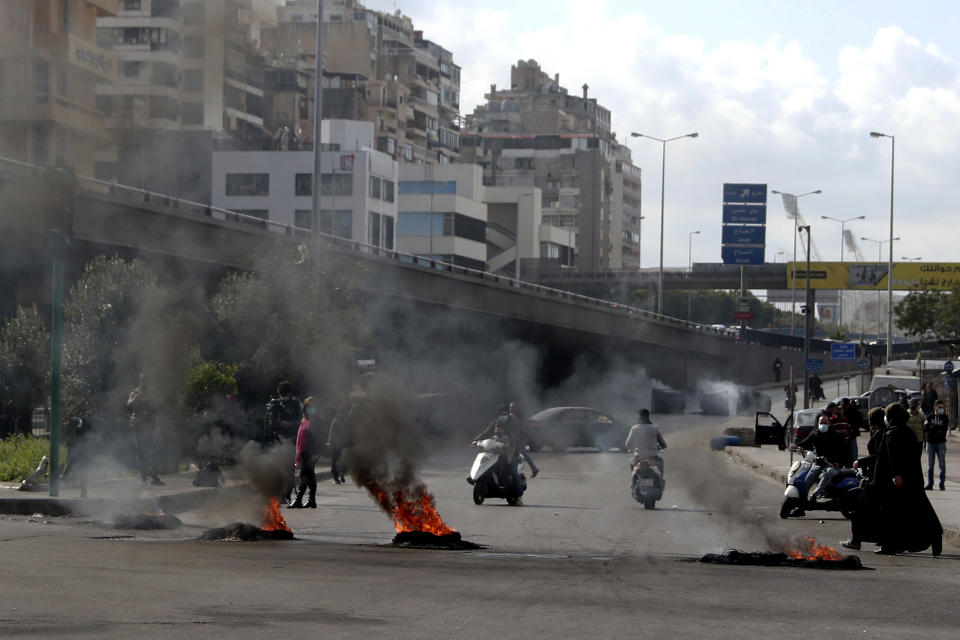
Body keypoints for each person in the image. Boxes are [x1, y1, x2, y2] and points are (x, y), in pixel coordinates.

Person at [871, 402, 942, 555]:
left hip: (898, 481)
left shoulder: (892, 433)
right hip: (912, 477)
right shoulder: (907, 431)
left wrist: (896, 475)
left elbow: (892, 457)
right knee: (919, 509)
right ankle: (932, 536)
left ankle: (890, 545)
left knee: (892, 513)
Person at [842, 407, 887, 550]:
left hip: (877, 479)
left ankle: (856, 541)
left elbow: (878, 457)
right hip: (873, 476)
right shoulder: (878, 433)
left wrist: (861, 462)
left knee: (858, 508)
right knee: (870, 511)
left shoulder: (880, 434)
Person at [795, 415, 852, 503]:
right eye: (821, 423)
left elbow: (845, 452)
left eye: (825, 423)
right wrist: (796, 445)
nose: (823, 425)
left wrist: (839, 463)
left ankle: (815, 494)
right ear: (818, 424)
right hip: (818, 463)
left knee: (829, 473)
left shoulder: (837, 435)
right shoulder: (815, 433)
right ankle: (802, 501)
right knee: (808, 477)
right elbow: (805, 443)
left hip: (832, 464)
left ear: (829, 423)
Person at [126, 373, 163, 486]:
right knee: (142, 451)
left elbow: (157, 408)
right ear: (141, 382)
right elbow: (128, 404)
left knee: (152, 451)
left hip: (149, 425)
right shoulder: (135, 392)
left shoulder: (152, 393)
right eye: (144, 381)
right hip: (138, 425)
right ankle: (143, 477)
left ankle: (154, 476)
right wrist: (138, 397)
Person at [289, 397, 319, 508]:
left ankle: (298, 500)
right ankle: (312, 500)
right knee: (310, 476)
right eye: (309, 406)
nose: (311, 409)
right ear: (305, 408)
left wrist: (315, 452)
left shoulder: (316, 421)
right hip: (304, 452)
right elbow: (300, 438)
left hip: (311, 453)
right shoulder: (304, 420)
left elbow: (318, 438)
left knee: (304, 475)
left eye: (313, 406)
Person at [624, 409, 667, 477]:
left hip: (638, 456)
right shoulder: (655, 428)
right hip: (653, 456)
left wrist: (632, 448)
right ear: (647, 417)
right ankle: (661, 479)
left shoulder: (634, 428)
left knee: (631, 464)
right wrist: (662, 447)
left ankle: (634, 480)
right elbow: (662, 443)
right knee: (660, 463)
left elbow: (627, 445)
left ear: (638, 418)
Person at [923, 400, 949, 491]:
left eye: (942, 407)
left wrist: (933, 428)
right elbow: (926, 428)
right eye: (939, 407)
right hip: (930, 443)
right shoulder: (929, 416)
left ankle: (942, 484)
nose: (941, 409)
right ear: (935, 407)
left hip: (941, 443)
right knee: (930, 465)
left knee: (942, 464)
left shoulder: (945, 418)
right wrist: (937, 429)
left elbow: (944, 430)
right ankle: (930, 483)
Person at [327, 402, 353, 484]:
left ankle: (342, 473)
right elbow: (332, 431)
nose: (350, 411)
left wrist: (351, 443)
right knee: (335, 461)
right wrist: (330, 441)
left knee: (344, 460)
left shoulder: (348, 420)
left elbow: (350, 432)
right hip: (335, 444)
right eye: (349, 409)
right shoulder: (337, 419)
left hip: (344, 443)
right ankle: (335, 477)